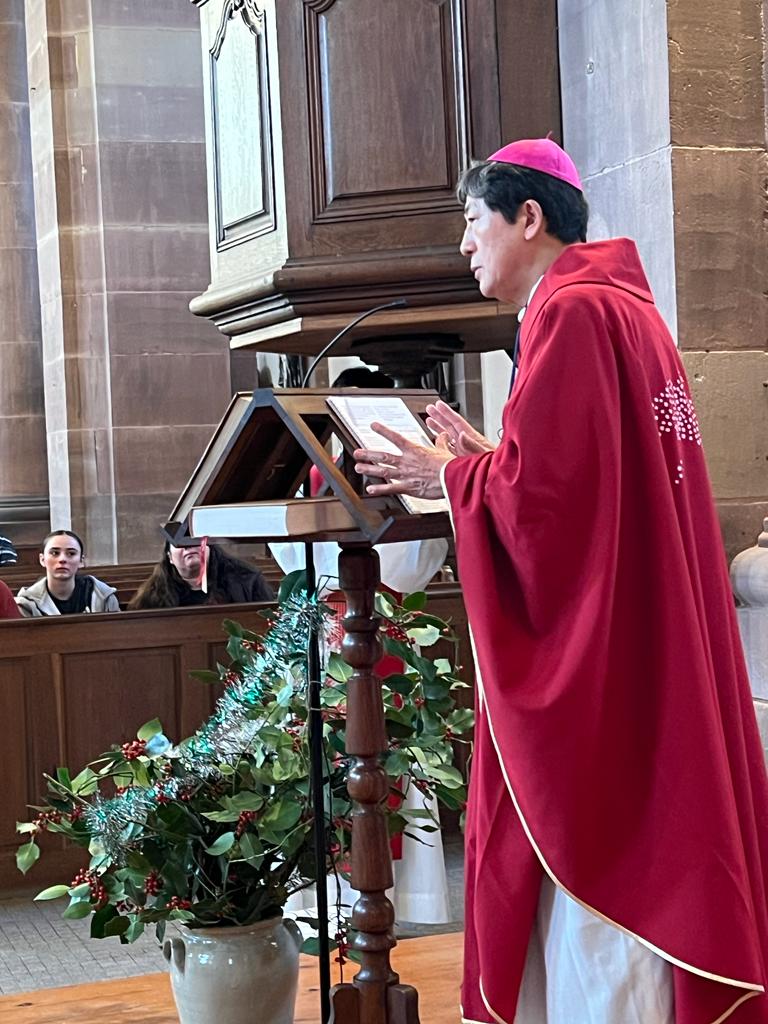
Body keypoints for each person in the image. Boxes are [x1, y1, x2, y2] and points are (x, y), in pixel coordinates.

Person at [353, 138, 768, 1023]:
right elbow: (584, 483)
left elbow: (551, 510)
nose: (464, 244)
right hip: (645, 630)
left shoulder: (571, 312)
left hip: (604, 669)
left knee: (606, 870)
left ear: (529, 217)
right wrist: (492, 460)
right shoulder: (623, 308)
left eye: (474, 220)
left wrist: (452, 477)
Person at [128, 539, 273, 609]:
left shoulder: (247, 580)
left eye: (194, 539)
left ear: (210, 547)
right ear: (170, 557)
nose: (188, 546)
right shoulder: (151, 598)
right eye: (179, 543)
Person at [15, 530, 120, 616]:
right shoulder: (27, 604)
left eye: (71, 553)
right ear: (42, 559)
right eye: (55, 553)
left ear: (81, 561)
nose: (62, 559)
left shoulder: (103, 596)